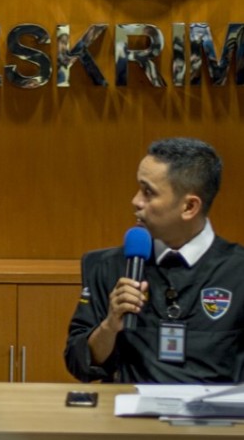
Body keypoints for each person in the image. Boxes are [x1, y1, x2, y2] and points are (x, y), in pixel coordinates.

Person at [65, 137, 244, 383]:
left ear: (189, 207)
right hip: (127, 417)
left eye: (148, 192)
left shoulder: (238, 271)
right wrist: (110, 325)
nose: (136, 201)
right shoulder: (108, 266)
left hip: (215, 419)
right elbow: (79, 365)